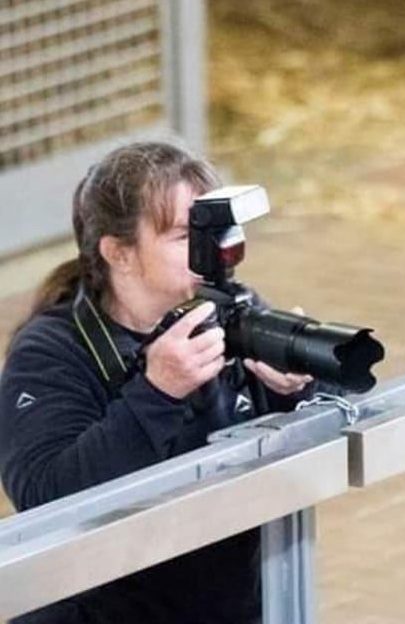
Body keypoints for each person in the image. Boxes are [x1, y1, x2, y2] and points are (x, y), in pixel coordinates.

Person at [0, 141, 316, 623]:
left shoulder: (233, 309)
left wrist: (295, 390)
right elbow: (46, 498)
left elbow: (333, 418)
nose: (211, 251)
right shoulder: (53, 351)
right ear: (119, 253)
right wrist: (156, 392)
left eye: (214, 230)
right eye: (184, 235)